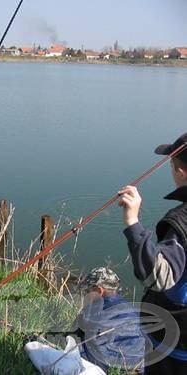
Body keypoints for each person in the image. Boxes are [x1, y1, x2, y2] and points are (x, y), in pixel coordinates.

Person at [119, 132, 187, 373]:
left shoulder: (181, 222)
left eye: (172, 166)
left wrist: (132, 221)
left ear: (180, 172)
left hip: (175, 344)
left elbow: (157, 276)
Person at [74, 267, 145, 372]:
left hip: (112, 367)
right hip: (140, 365)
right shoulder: (134, 311)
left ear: (99, 291)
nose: (84, 296)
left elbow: (76, 344)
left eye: (87, 292)